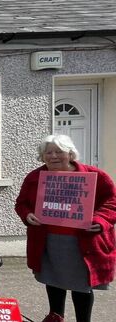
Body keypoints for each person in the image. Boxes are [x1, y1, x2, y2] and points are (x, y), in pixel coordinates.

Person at [15, 134, 116, 322]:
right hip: (49, 240)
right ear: (42, 156)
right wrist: (27, 215)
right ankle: (56, 317)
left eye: (58, 151)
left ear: (70, 154)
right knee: (53, 282)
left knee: (81, 287)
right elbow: (22, 203)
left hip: (82, 242)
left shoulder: (95, 176)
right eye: (48, 152)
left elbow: (111, 202)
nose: (53, 156)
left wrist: (100, 219)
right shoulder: (35, 177)